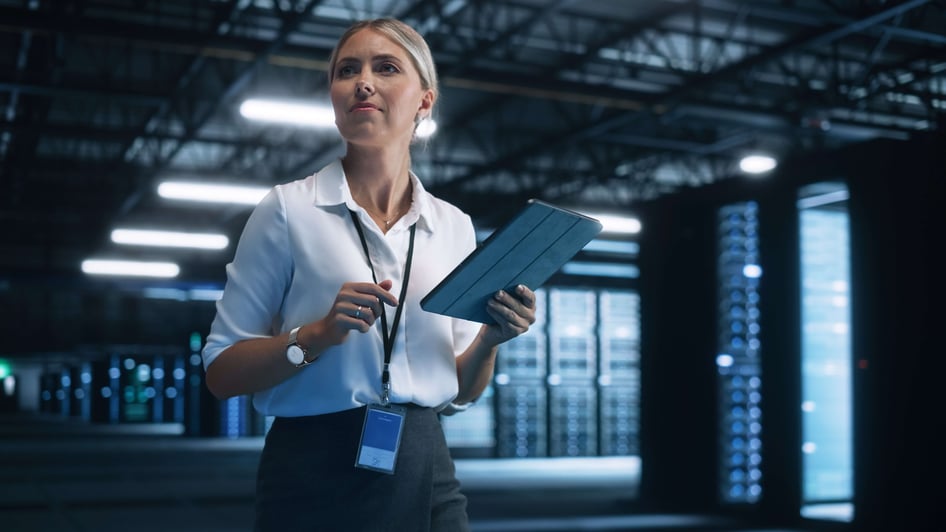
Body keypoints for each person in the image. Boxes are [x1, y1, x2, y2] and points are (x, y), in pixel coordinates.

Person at [201, 17, 537, 532]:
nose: (363, 82)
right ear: (334, 97)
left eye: (386, 68)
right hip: (311, 469)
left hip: (426, 464)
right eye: (346, 70)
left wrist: (491, 338)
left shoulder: (453, 226)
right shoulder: (289, 209)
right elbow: (221, 373)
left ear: (424, 101)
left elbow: (462, 391)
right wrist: (317, 334)